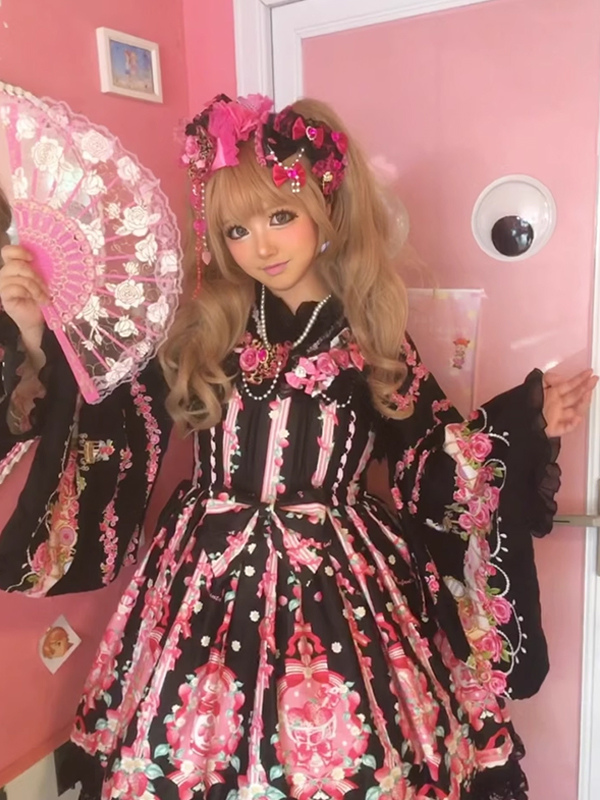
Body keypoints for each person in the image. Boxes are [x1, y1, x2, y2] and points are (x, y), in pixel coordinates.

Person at [0, 95, 595, 800]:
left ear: (326, 206)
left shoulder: (371, 336)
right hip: (202, 576)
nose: (261, 246)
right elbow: (117, 424)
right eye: (237, 229)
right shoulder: (205, 330)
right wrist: (34, 334)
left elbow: (429, 462)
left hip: (341, 580)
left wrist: (520, 424)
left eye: (280, 216)